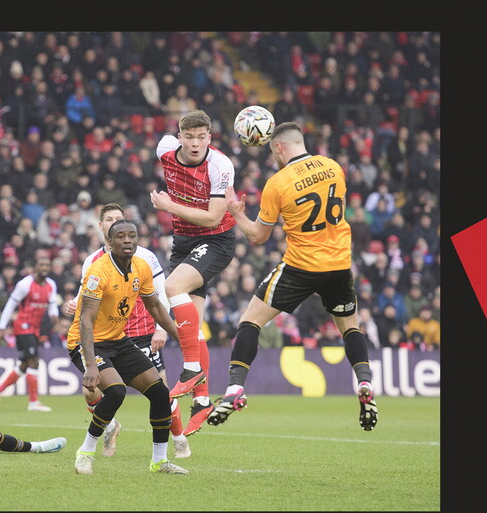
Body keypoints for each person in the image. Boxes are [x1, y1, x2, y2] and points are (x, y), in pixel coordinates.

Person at [208, 121, 378, 432]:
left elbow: (258, 236)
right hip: (339, 264)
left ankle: (234, 388)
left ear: (277, 147)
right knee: (349, 327)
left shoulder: (277, 182)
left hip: (301, 265)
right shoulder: (334, 167)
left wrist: (235, 212)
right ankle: (364, 382)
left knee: (251, 320)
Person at [62, 203, 191, 459]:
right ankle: (87, 451)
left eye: (130, 234)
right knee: (114, 390)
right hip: (89, 340)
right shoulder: (96, 267)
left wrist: (177, 335)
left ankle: (164, 455)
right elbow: (85, 319)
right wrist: (90, 364)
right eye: (119, 234)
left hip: (126, 336)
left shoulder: (144, 263)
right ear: (107, 236)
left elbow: (155, 303)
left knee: (159, 391)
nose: (126, 239)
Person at [149, 109, 236, 432]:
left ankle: (190, 368)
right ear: (180, 137)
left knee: (171, 288)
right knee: (193, 327)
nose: (196, 143)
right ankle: (202, 401)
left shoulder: (221, 165)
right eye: (190, 137)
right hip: (184, 242)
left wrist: (169, 206)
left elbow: (214, 217)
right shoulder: (165, 150)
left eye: (202, 137)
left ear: (210, 138)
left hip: (216, 241)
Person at [0, 256, 60, 412]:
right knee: (34, 361)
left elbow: (53, 305)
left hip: (36, 328)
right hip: (22, 326)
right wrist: (1, 327)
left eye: (47, 264)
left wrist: (55, 315)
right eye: (42, 264)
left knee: (25, 364)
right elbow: (10, 305)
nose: (45, 267)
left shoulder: (51, 285)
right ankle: (33, 402)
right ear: (35, 267)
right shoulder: (25, 284)